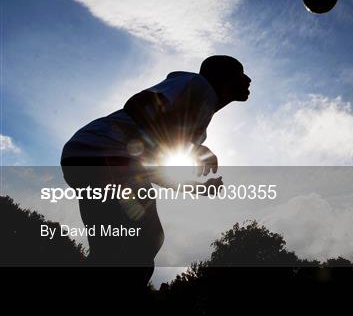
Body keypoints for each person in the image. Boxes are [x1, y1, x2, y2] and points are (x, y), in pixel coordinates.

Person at [60, 55, 251, 288]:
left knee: (113, 247)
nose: (248, 79)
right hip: (101, 152)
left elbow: (151, 171)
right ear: (224, 77)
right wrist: (191, 147)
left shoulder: (198, 122)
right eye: (241, 73)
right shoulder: (197, 85)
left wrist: (197, 187)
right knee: (145, 240)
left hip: (84, 155)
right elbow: (139, 103)